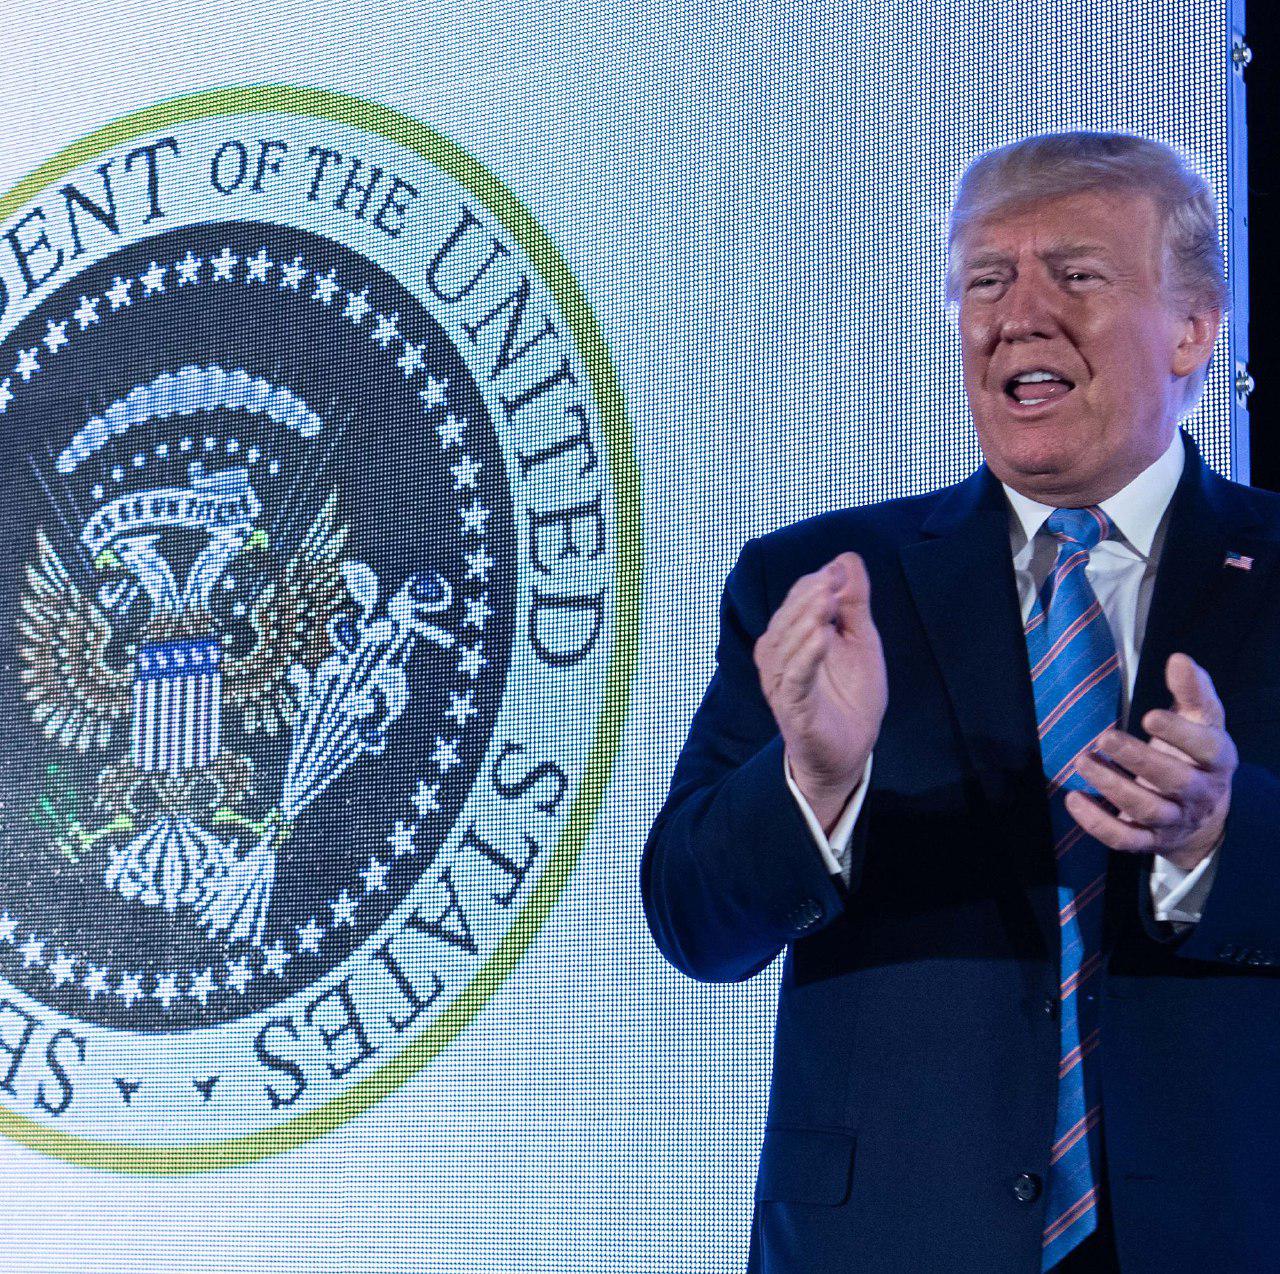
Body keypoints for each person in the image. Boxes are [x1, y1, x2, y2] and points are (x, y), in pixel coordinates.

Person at [641, 132, 1280, 1274]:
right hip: (891, 1236)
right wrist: (810, 784)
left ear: (1194, 326)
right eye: (984, 279)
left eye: (1074, 273)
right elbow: (694, 923)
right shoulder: (825, 580)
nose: (1017, 314)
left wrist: (1221, 836)